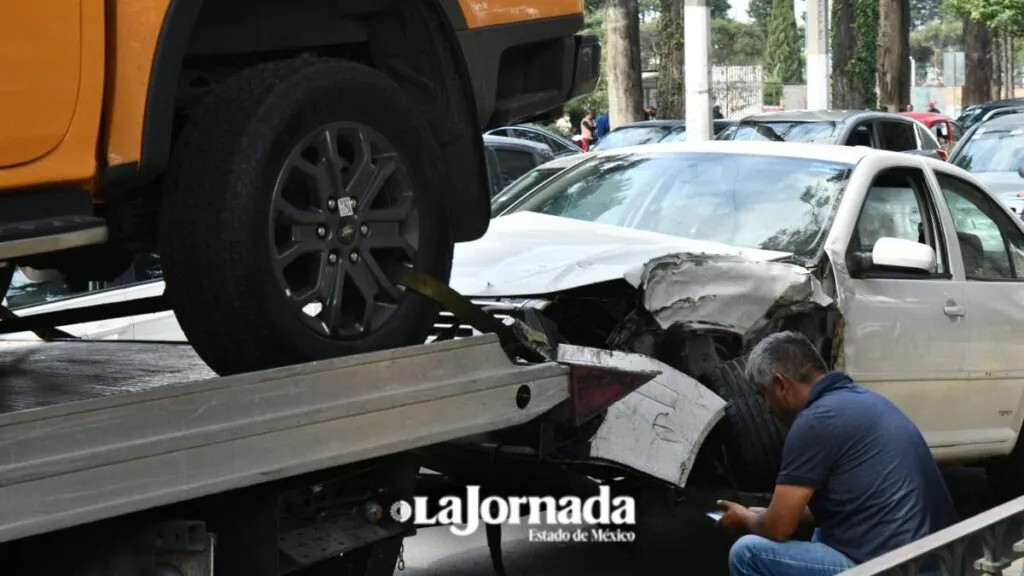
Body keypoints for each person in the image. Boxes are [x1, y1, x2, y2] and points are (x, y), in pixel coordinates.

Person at [717, 331, 958, 576]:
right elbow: (846, 504)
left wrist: (746, 520)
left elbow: (778, 528)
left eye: (763, 395)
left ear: (780, 385)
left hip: (892, 569)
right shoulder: (864, 400)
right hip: (938, 561)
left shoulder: (815, 421)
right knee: (824, 529)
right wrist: (766, 514)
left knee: (747, 553)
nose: (767, 408)